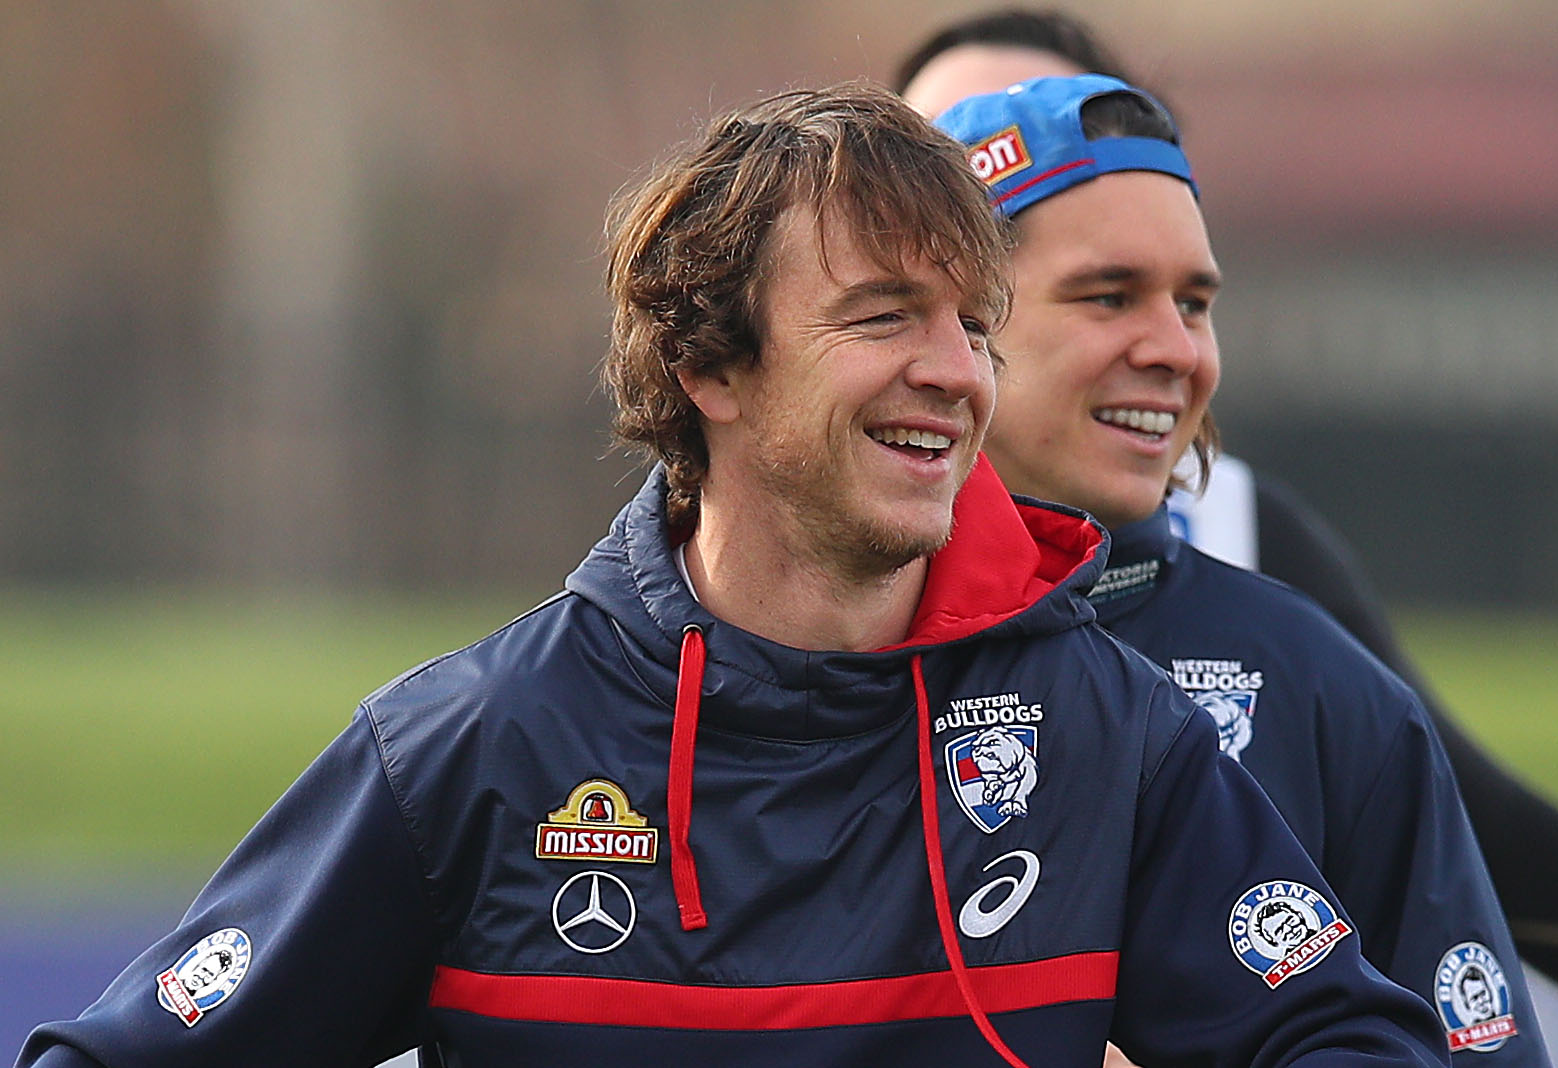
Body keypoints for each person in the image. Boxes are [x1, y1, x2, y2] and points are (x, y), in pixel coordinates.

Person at [16, 82, 1450, 1067]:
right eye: (885, 317)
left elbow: (1343, 1038)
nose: (955, 375)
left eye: (974, 323)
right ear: (705, 363)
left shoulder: (1103, 732)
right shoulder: (477, 748)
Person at [898, 6, 1558, 1014]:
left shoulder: (1265, 603)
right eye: (1107, 295)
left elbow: (1473, 871)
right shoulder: (765, 607)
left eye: (1192, 302)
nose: (1175, 348)